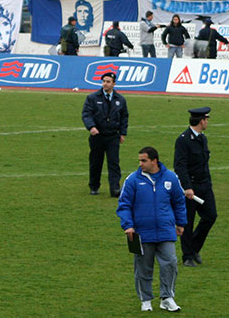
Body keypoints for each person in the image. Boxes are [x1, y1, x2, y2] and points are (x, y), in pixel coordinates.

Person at [116, 146, 186, 313]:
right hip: (141, 232)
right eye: (140, 160)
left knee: (170, 263)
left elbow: (179, 201)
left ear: (154, 161)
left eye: (144, 160)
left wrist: (181, 223)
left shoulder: (171, 177)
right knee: (143, 268)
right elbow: (124, 205)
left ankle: (167, 297)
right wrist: (128, 225)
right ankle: (146, 300)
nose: (140, 164)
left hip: (165, 230)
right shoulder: (132, 180)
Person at [174, 107, 217, 268]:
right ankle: (187, 256)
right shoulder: (183, 140)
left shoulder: (202, 139)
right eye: (206, 119)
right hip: (190, 188)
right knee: (188, 222)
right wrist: (187, 187)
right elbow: (180, 166)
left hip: (205, 185)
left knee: (210, 216)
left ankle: (194, 248)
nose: (207, 122)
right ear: (201, 121)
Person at [81, 72, 128, 197]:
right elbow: (86, 114)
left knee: (114, 162)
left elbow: (124, 117)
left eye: (108, 82)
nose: (105, 84)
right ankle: (94, 186)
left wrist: (123, 133)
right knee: (96, 162)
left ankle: (115, 188)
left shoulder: (120, 100)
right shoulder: (92, 98)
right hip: (97, 136)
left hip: (113, 136)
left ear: (114, 83)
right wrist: (91, 127)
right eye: (103, 81)